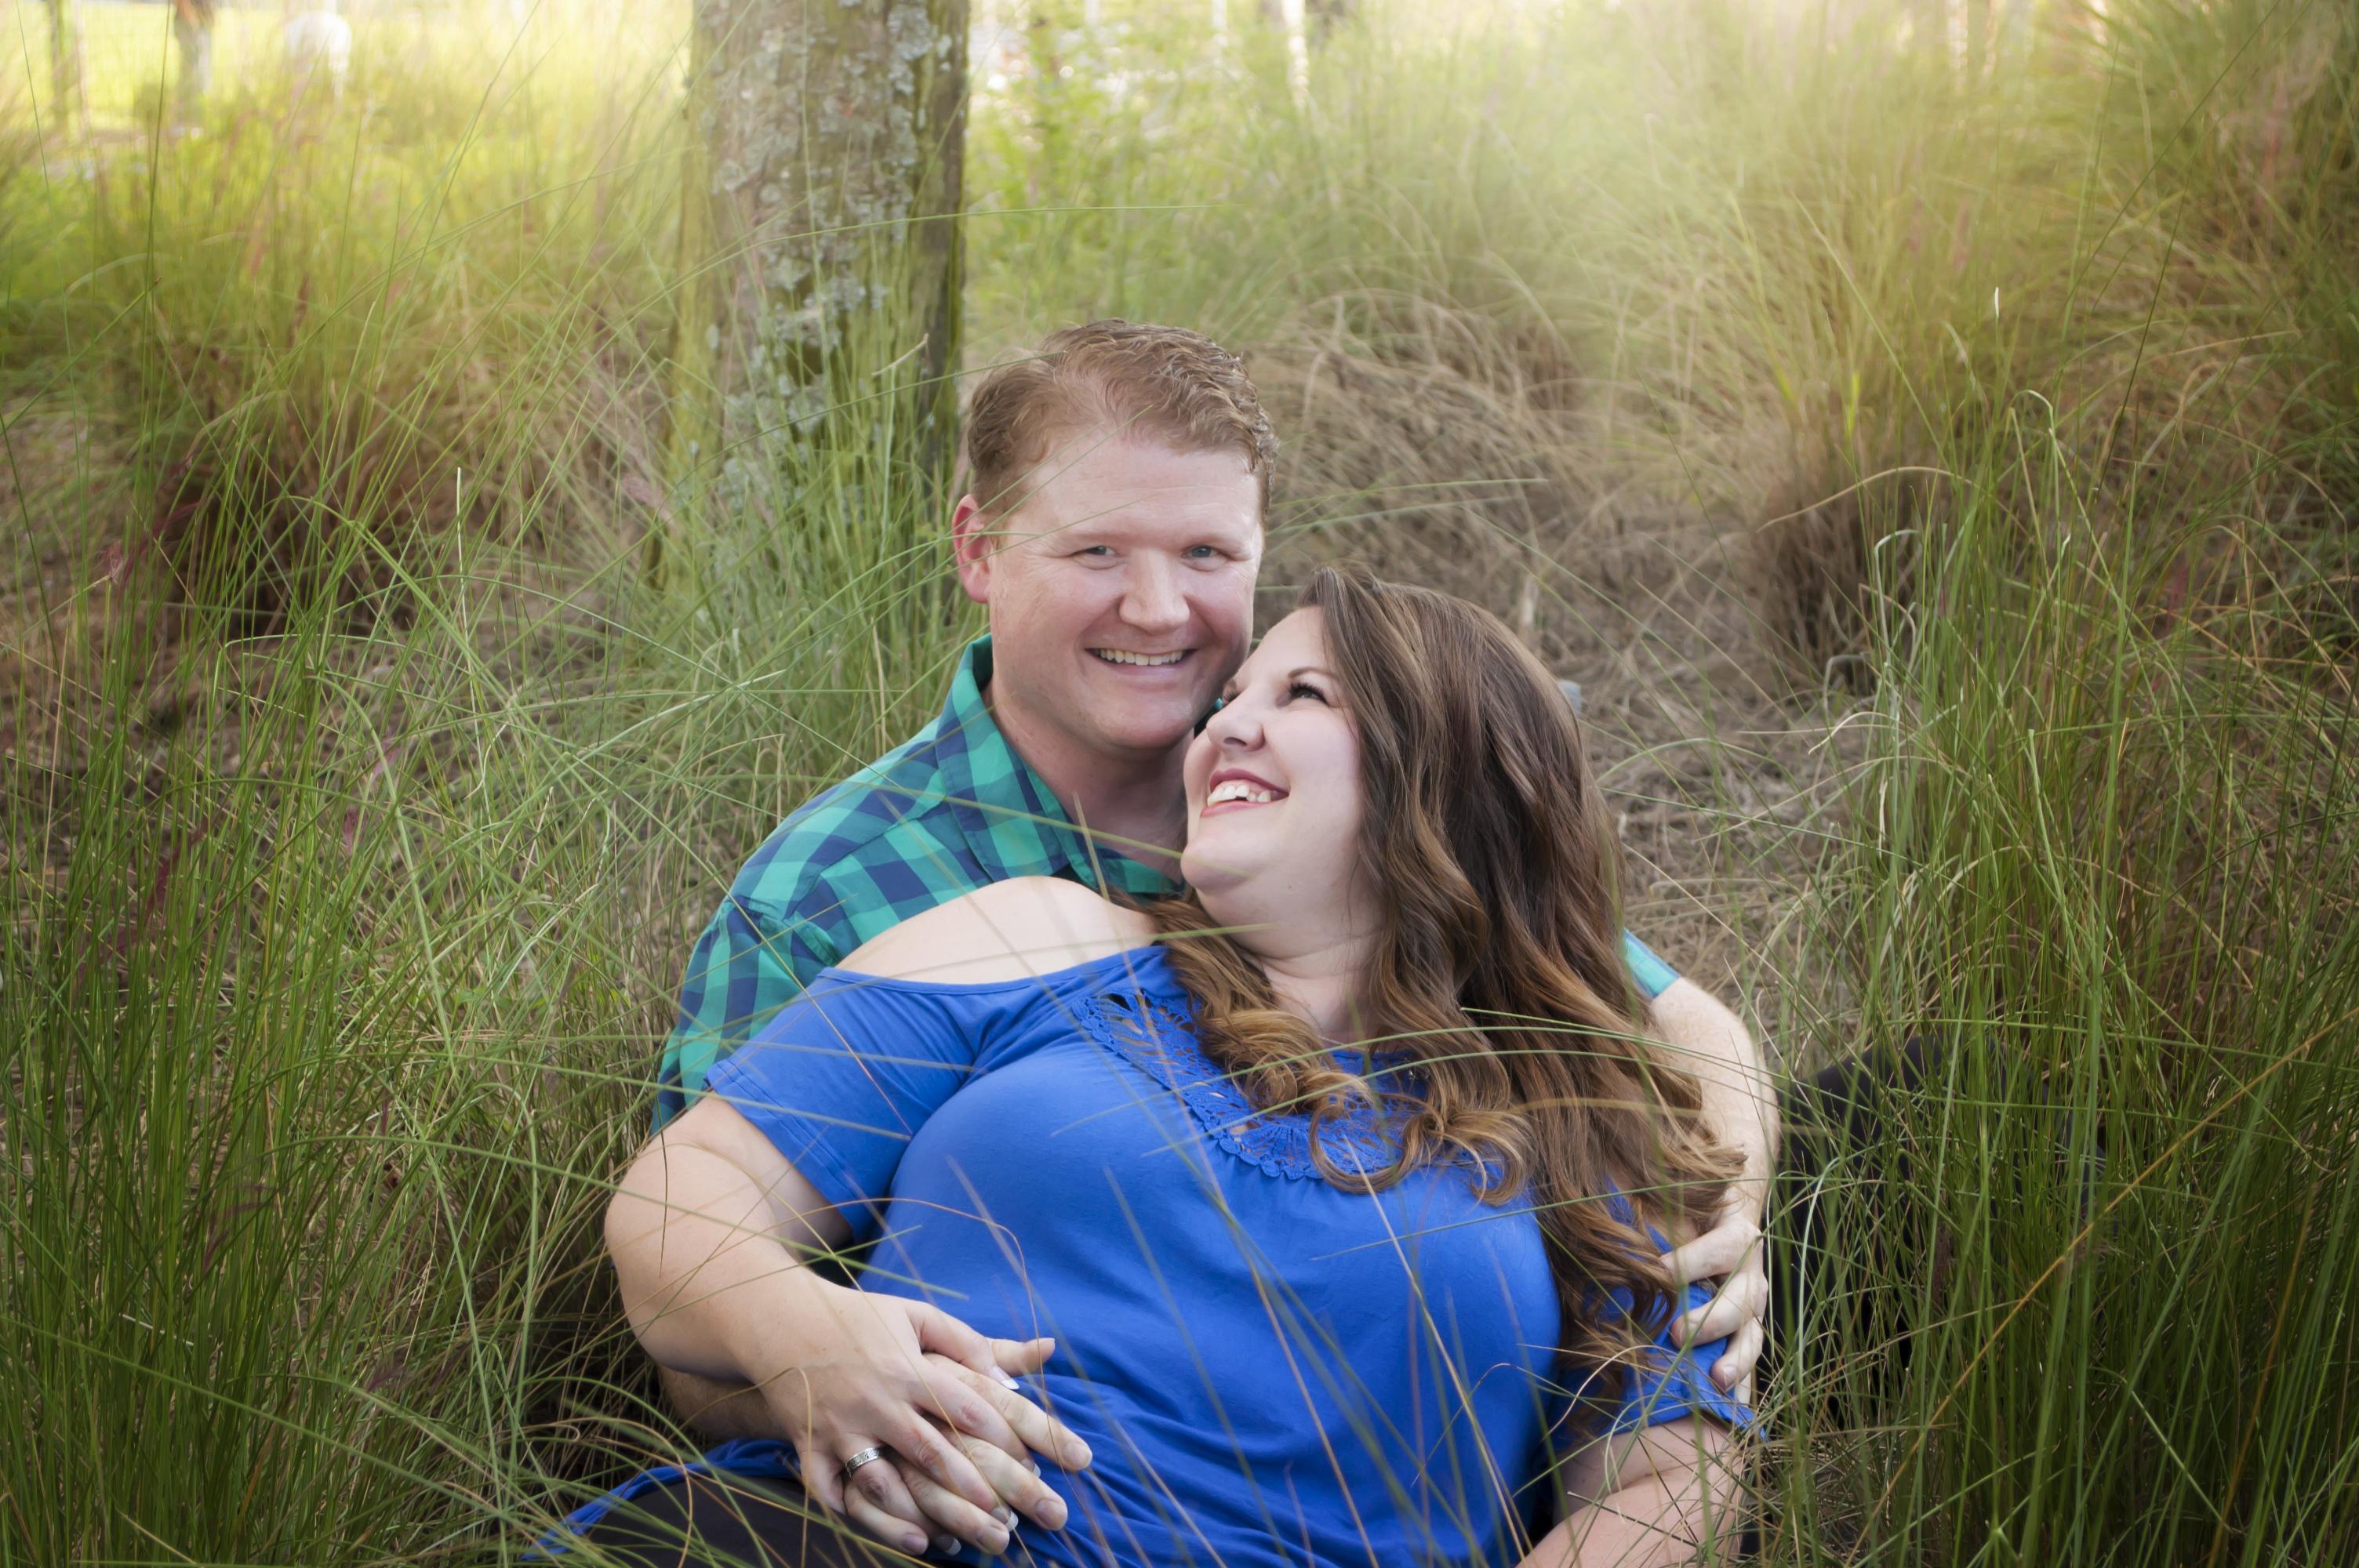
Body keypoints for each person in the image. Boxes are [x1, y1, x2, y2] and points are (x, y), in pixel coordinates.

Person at [633, 321, 1778, 1554]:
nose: (1160, 610)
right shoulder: (877, 898)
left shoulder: (1454, 965)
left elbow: (1657, 1019)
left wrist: (1728, 1218)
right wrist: (831, 1366)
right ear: (978, 550)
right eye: (1096, 550)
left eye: (1207, 554)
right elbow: (697, 1287)